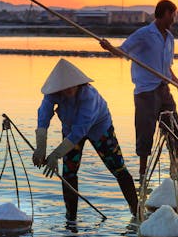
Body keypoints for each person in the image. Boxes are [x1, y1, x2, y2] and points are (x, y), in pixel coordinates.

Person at [34, 58, 138, 221]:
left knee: (118, 168)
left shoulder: (89, 96)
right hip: (70, 129)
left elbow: (80, 131)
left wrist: (55, 154)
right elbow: (43, 117)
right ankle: (71, 217)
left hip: (99, 129)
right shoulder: (52, 94)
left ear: (78, 83)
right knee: (69, 173)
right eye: (64, 88)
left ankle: (136, 210)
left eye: (71, 86)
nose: (68, 90)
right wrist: (41, 147)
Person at [100, 0, 178, 183]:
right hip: (146, 92)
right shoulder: (144, 34)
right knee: (145, 134)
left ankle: (174, 166)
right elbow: (123, 51)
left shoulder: (170, 38)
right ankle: (142, 176)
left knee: (175, 130)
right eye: (173, 14)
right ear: (165, 13)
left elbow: (167, 69)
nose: (174, 18)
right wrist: (109, 48)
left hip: (164, 90)